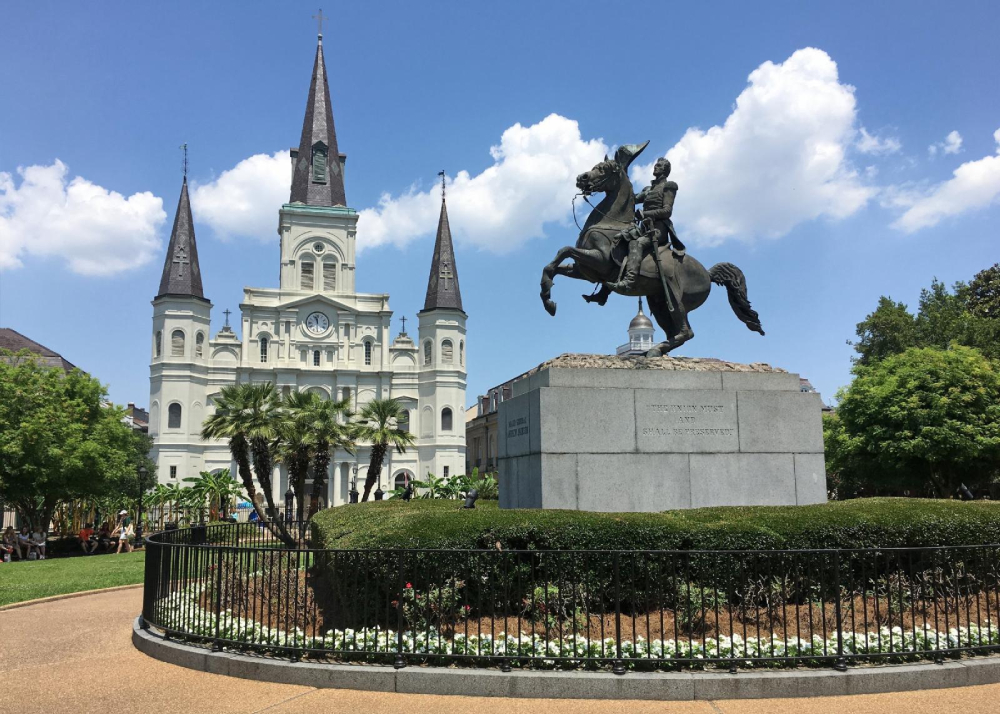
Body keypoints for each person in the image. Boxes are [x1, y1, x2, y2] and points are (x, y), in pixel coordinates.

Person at [608, 157, 686, 292]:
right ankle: (604, 291)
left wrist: (646, 214)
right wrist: (619, 177)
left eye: (659, 166)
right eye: (655, 165)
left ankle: (628, 281)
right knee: (618, 240)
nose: (656, 167)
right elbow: (630, 199)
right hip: (644, 228)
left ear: (665, 170)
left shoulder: (669, 186)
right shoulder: (648, 189)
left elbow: (667, 211)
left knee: (636, 244)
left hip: (658, 230)